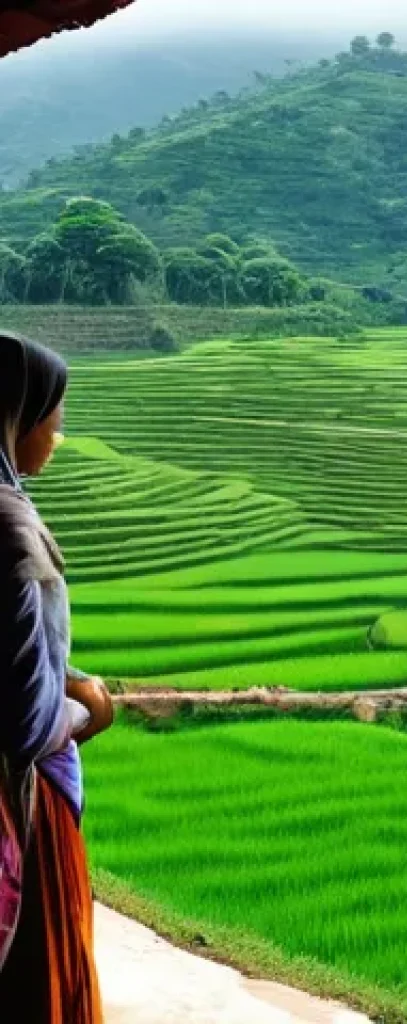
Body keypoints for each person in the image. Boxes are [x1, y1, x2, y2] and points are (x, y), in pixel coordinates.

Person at [0, 333, 114, 1022]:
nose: (58, 434)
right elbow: (23, 720)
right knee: (41, 988)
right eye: (56, 420)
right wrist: (89, 710)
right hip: (23, 814)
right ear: (18, 414)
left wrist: (60, 677)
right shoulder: (10, 530)